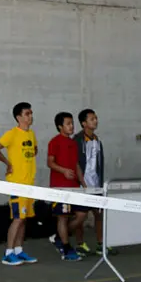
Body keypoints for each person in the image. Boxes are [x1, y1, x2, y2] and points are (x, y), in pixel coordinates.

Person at [0, 102, 39, 266]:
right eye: (27, 114)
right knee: (18, 218)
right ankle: (8, 252)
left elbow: (34, 150)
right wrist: (8, 163)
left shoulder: (31, 134)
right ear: (19, 117)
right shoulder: (12, 134)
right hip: (17, 184)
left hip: (29, 184)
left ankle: (19, 250)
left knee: (24, 219)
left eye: (31, 113)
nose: (30, 116)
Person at [72, 108, 116, 256]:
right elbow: (75, 162)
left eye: (96, 118)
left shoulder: (97, 140)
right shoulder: (77, 140)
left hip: (96, 184)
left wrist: (100, 184)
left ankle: (100, 244)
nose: (95, 121)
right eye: (92, 119)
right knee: (81, 216)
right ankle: (77, 242)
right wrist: (81, 181)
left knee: (99, 214)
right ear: (84, 123)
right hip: (82, 184)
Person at [46, 111, 82, 261]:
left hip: (74, 186)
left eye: (72, 123)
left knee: (81, 215)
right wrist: (64, 171)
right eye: (68, 123)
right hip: (60, 186)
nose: (71, 126)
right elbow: (50, 162)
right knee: (63, 216)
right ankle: (66, 248)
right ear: (60, 126)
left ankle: (59, 237)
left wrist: (83, 183)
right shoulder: (54, 142)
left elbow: (76, 164)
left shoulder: (73, 143)